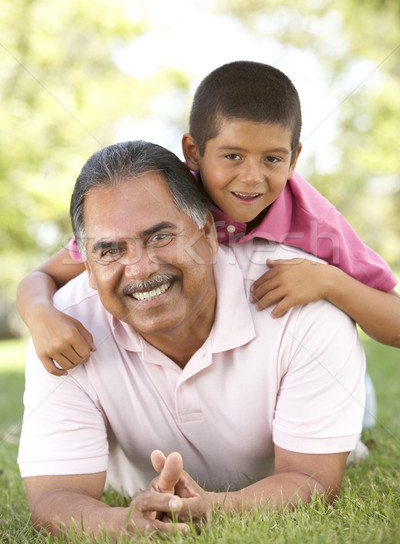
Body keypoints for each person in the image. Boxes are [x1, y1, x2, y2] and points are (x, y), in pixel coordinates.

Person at [18, 140, 365, 539]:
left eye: (161, 237)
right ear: (88, 269)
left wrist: (215, 508)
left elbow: (312, 480)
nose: (140, 270)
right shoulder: (62, 329)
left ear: (208, 233)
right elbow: (53, 497)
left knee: (358, 406)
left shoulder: (303, 305)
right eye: (111, 250)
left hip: (323, 385)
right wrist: (125, 525)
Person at [16, 61, 400, 379]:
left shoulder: (316, 222)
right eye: (233, 156)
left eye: (272, 159)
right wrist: (40, 316)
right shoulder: (164, 200)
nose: (251, 177)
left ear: (294, 159)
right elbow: (41, 276)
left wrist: (329, 282)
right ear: (193, 152)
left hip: (313, 371)